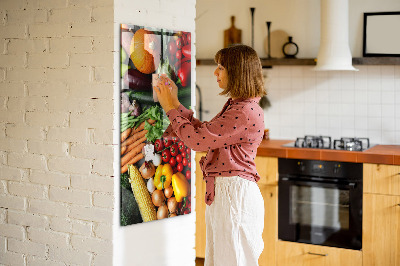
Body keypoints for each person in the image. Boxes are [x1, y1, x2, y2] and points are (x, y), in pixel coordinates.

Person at [154, 44, 266, 266]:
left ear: (237, 72)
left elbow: (197, 141)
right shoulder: (239, 106)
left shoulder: (243, 112)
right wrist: (175, 104)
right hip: (229, 194)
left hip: (234, 197)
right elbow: (204, 132)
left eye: (221, 67)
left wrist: (169, 108)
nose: (215, 72)